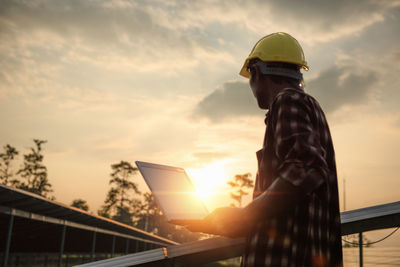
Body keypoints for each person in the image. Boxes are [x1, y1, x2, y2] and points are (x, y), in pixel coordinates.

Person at [187, 32, 343, 267]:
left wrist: (244, 217)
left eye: (250, 76)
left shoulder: (287, 100)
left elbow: (306, 167)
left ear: (256, 72)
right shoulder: (312, 106)